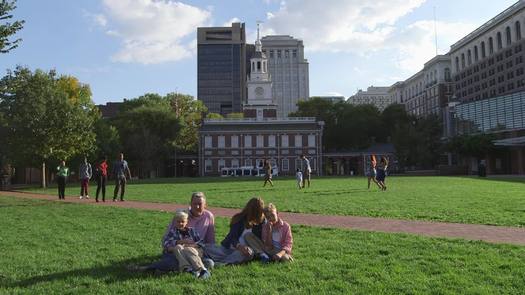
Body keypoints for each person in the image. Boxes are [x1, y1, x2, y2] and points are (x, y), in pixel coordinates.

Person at [131, 192, 216, 273]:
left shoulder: (209, 216)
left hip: (195, 252)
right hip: (176, 251)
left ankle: (175, 269)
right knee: (173, 262)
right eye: (194, 204)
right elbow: (165, 240)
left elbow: (210, 241)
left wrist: (196, 248)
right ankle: (149, 268)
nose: (197, 207)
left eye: (200, 204)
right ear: (190, 204)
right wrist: (179, 243)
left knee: (209, 263)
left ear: (205, 205)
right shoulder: (182, 216)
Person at [204, 197, 266, 265]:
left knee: (248, 254)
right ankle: (220, 260)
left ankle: (221, 263)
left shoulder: (261, 222)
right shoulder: (239, 219)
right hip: (228, 248)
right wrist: (240, 247)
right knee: (206, 248)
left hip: (244, 252)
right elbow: (232, 237)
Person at [163, 210, 211, 279]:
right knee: (178, 247)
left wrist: (192, 245)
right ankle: (187, 268)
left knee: (188, 249)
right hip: (181, 253)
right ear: (174, 222)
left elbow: (201, 242)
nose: (180, 223)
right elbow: (166, 243)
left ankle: (202, 270)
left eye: (182, 222)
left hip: (194, 251)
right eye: (178, 221)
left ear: (186, 222)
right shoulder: (172, 232)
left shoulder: (192, 230)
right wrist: (179, 241)